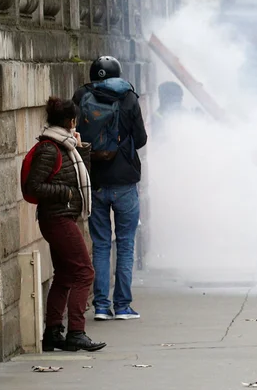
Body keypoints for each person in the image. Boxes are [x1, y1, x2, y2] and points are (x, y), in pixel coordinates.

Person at [23, 97, 106, 352]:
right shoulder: (50, 148)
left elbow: (83, 178)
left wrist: (81, 150)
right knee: (84, 272)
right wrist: (66, 194)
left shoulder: (66, 146)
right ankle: (76, 333)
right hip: (57, 218)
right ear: (71, 121)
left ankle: (53, 332)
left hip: (63, 217)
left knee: (66, 275)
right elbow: (33, 186)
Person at [73, 56, 148, 321]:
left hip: (95, 181)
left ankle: (102, 306)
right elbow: (140, 139)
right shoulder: (128, 97)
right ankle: (123, 306)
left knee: (101, 244)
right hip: (125, 181)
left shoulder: (82, 95)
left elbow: (74, 136)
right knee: (126, 244)